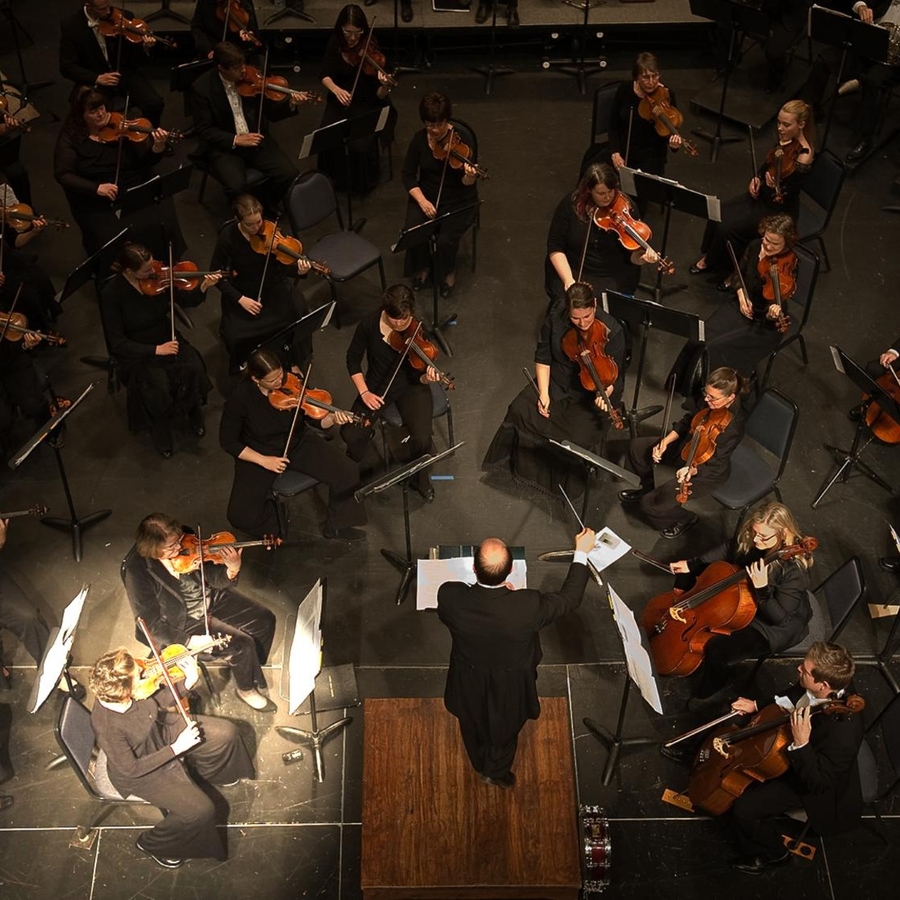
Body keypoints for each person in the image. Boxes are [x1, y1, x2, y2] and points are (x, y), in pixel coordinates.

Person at [437, 528, 595, 788]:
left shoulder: (450, 597)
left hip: (467, 680)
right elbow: (569, 599)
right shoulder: (528, 605)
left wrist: (497, 596)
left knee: (470, 725)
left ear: (474, 570)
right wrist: (581, 553)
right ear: (510, 571)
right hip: (511, 685)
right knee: (505, 733)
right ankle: (496, 772)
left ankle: (478, 763)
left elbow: (461, 603)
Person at [89, 646, 255, 868]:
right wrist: (177, 748)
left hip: (157, 731)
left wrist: (188, 681)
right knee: (201, 811)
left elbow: (156, 701)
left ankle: (214, 773)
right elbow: (131, 769)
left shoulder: (129, 693)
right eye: (138, 678)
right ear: (123, 691)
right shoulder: (109, 727)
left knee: (227, 733)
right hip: (143, 771)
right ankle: (153, 844)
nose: (144, 675)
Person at [728, 642, 864, 873]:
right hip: (795, 743)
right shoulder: (825, 683)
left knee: (744, 809)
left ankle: (775, 853)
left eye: (805, 671)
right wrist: (757, 705)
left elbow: (819, 783)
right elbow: (796, 692)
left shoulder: (842, 733)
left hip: (808, 776)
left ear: (824, 685)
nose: (798, 669)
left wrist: (802, 744)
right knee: (739, 719)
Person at [482, 282, 626, 498]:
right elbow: (543, 357)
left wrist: (603, 394)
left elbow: (614, 376)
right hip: (557, 383)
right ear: (567, 310)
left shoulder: (611, 330)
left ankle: (566, 486)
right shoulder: (556, 317)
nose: (582, 323)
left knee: (577, 438)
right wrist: (543, 393)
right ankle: (526, 469)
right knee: (520, 408)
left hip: (589, 395)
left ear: (594, 305)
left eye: (587, 316)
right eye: (576, 318)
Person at [123, 512, 277, 711]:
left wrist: (232, 569)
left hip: (207, 596)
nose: (180, 547)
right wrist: (189, 640)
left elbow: (211, 576)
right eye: (172, 546)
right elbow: (150, 624)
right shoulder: (137, 571)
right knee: (242, 644)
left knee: (264, 619)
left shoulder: (185, 537)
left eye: (178, 541)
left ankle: (252, 667)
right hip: (181, 620)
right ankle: (246, 689)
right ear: (154, 549)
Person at [666, 501, 814, 703]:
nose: (756, 539)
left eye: (763, 536)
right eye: (754, 532)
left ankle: (710, 692)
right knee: (691, 574)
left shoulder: (794, 570)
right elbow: (729, 547)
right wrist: (692, 564)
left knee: (720, 650)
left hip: (771, 624)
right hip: (744, 595)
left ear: (783, 533)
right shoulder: (753, 538)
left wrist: (761, 588)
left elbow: (778, 617)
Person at [220, 348, 367, 541]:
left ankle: (339, 525)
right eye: (272, 380)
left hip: (298, 442)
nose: (279, 382)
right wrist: (264, 461)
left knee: (347, 471)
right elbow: (228, 441)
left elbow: (316, 420)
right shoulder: (241, 397)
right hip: (260, 451)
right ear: (256, 379)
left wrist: (332, 418)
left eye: (280, 374)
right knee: (240, 515)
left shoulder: (293, 382)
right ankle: (276, 521)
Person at [100, 242, 213, 459]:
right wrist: (155, 350)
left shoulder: (160, 278)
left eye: (153, 266)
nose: (153, 273)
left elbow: (187, 299)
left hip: (166, 338)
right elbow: (117, 343)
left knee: (193, 367)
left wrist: (204, 287)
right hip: (138, 351)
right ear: (129, 271)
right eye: (146, 270)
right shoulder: (112, 294)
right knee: (156, 385)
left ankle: (191, 408)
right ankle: (159, 425)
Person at [673, 215, 798, 394]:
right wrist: (740, 296)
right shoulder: (755, 246)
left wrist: (772, 313)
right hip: (742, 304)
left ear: (787, 243)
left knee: (717, 347)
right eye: (767, 239)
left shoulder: (790, 262)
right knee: (700, 337)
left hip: (764, 321)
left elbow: (777, 299)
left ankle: (709, 393)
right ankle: (685, 385)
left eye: (775, 244)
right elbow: (739, 274)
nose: (768, 246)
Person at [620, 367, 749, 539]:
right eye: (706, 393)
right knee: (637, 447)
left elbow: (716, 463)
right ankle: (648, 487)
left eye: (713, 398)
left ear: (731, 397)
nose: (706, 399)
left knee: (650, 504)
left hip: (705, 471)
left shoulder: (734, 427)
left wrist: (692, 470)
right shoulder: (709, 401)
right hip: (687, 446)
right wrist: (666, 441)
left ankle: (685, 519)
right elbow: (688, 421)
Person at [341, 285, 442, 503]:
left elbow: (420, 373)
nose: (399, 325)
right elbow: (352, 360)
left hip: (411, 385)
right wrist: (364, 392)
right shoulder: (368, 325)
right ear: (385, 311)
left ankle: (420, 480)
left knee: (423, 438)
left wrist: (427, 377)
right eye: (394, 320)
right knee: (352, 433)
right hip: (377, 385)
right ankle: (349, 472)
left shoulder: (417, 326)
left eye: (404, 321)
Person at [53, 89, 184, 257]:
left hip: (132, 183)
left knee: (162, 219)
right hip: (97, 196)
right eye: (93, 112)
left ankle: (163, 262)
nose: (101, 114)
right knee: (112, 238)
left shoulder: (123, 125)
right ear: (81, 115)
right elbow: (63, 174)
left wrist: (158, 147)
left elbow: (145, 162)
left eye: (101, 108)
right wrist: (96, 188)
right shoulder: (70, 137)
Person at [691, 101, 813, 281]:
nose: (780, 128)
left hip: (777, 209)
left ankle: (730, 271)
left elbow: (791, 192)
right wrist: (756, 178)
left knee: (728, 226)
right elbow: (767, 165)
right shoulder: (785, 140)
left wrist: (776, 187)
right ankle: (711, 257)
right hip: (761, 196)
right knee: (718, 212)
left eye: (786, 124)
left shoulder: (804, 156)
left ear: (801, 124)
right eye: (779, 123)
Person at [191, 42, 307, 209]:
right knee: (235, 186)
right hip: (226, 146)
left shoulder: (252, 80)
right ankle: (244, 216)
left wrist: (291, 104)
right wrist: (236, 139)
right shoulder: (202, 88)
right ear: (221, 68)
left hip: (255, 137)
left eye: (243, 64)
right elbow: (204, 130)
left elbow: (271, 113)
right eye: (237, 68)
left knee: (288, 174)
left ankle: (263, 205)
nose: (244, 70)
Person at [208, 194, 313, 373]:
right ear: (237, 220)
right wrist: (240, 299)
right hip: (244, 292)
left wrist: (299, 271)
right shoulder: (228, 238)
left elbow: (282, 268)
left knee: (298, 310)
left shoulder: (270, 231)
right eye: (250, 224)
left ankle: (292, 359)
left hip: (274, 287)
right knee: (236, 334)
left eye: (259, 221)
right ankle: (251, 365)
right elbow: (217, 275)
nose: (257, 227)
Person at [546, 162, 660, 305]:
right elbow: (555, 245)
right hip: (572, 267)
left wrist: (642, 258)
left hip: (612, 274)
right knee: (565, 304)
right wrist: (569, 280)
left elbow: (632, 256)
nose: (607, 198)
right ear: (589, 190)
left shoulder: (626, 207)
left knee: (602, 306)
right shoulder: (572, 205)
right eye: (601, 193)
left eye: (611, 191)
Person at [401, 92, 478, 299]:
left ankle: (448, 271)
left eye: (439, 124)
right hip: (427, 195)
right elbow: (408, 175)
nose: (435, 130)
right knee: (413, 229)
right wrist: (422, 201)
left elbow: (467, 184)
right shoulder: (419, 140)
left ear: (447, 120)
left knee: (445, 240)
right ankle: (423, 265)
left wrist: (470, 177)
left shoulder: (463, 140)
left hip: (459, 198)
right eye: (429, 125)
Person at [318, 5, 396, 195]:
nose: (352, 38)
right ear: (341, 29)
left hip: (367, 103)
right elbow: (324, 74)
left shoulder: (371, 46)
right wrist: (337, 90)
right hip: (341, 100)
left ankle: (361, 184)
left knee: (358, 147)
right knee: (327, 135)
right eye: (348, 32)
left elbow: (378, 95)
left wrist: (385, 86)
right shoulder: (335, 43)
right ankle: (336, 179)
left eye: (357, 33)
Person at [59, 0, 165, 126]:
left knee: (154, 103)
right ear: (88, 6)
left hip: (123, 72)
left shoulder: (124, 16)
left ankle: (153, 137)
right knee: (97, 114)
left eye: (108, 6)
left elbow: (134, 59)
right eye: (102, 9)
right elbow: (67, 67)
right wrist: (97, 78)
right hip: (96, 75)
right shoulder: (71, 25)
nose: (108, 12)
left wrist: (145, 47)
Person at [607, 53, 683, 187]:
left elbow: (667, 130)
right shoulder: (624, 90)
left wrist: (673, 145)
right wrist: (615, 153)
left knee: (638, 190)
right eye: (646, 77)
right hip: (624, 149)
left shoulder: (666, 95)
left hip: (651, 155)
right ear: (636, 77)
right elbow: (613, 124)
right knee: (596, 175)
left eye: (655, 76)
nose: (652, 82)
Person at [191, 0, 261, 56]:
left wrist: (249, 35)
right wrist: (208, 50)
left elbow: (253, 28)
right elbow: (197, 27)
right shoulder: (205, 2)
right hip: (213, 51)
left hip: (238, 54)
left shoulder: (243, 2)